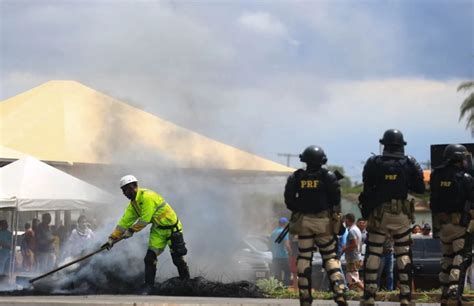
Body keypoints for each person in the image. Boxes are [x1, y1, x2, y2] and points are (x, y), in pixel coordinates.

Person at [359, 129, 425, 306]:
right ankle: (405, 296)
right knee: (403, 253)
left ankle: (369, 296)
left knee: (373, 252)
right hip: (401, 215)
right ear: (401, 145)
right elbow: (420, 188)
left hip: (379, 214)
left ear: (384, 144)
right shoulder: (410, 162)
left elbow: (367, 188)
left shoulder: (373, 162)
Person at [102, 175, 190, 293]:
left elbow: (145, 219)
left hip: (172, 229)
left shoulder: (147, 197)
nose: (123, 193)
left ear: (133, 187)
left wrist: (132, 230)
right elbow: (124, 222)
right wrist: (112, 238)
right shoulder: (134, 204)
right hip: (158, 230)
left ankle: (187, 283)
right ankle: (149, 286)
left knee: (177, 259)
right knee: (149, 258)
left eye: (125, 190)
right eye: (122, 191)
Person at [284, 145, 347, 306]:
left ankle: (305, 297)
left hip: (304, 222)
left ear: (304, 160)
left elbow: (289, 201)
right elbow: (335, 200)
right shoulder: (329, 176)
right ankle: (339, 291)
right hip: (324, 222)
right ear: (322, 160)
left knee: (304, 257)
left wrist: (301, 207)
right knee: (330, 257)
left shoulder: (296, 177)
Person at [429, 144, 474, 305]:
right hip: (460, 226)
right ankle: (454, 294)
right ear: (459, 159)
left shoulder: (436, 175)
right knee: (460, 258)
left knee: (447, 259)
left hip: (443, 226)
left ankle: (445, 293)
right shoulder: (465, 178)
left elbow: (433, 202)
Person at [342, 213, 364, 291]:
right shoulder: (356, 229)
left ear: (347, 220)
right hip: (355, 257)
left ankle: (366, 291)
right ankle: (352, 293)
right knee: (350, 277)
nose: (345, 222)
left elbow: (354, 244)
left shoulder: (352, 231)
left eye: (345, 220)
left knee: (353, 277)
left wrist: (344, 249)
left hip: (353, 258)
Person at [270, 217, 292, 285]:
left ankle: (277, 289)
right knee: (288, 272)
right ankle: (285, 287)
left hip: (275, 257)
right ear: (285, 224)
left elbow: (270, 244)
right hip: (283, 257)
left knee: (277, 274)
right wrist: (290, 252)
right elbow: (287, 245)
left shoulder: (273, 232)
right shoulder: (284, 232)